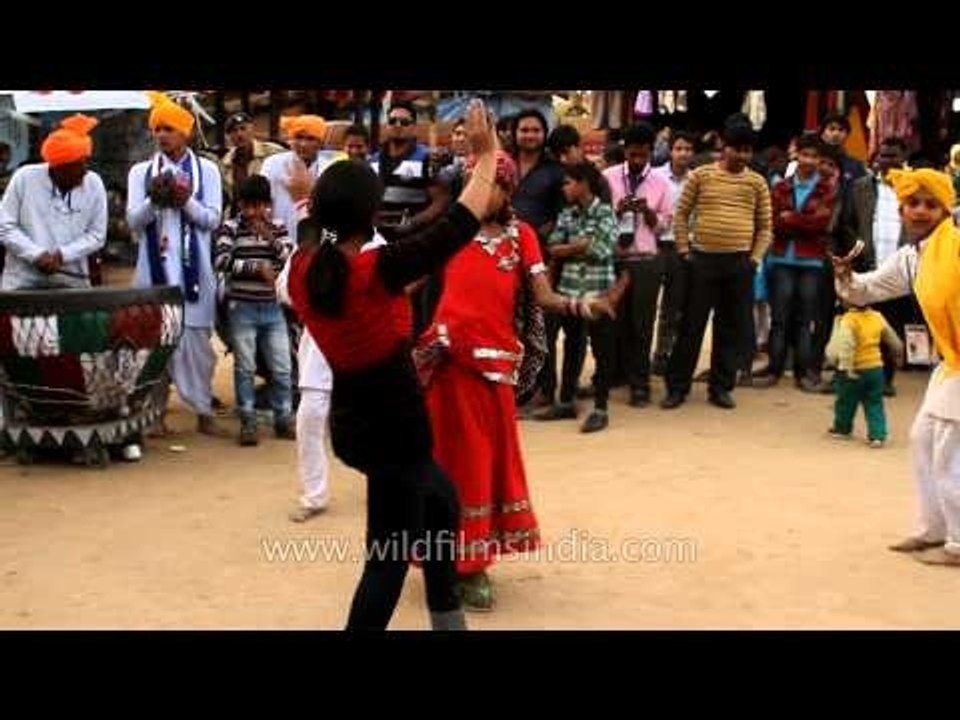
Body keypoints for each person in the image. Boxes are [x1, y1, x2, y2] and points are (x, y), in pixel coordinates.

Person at [286, 99, 497, 630]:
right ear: (370, 215)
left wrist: (310, 200)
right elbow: (460, 221)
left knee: (441, 505)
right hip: (394, 427)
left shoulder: (305, 270)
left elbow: (316, 229)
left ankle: (446, 614)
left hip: (358, 422)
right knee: (389, 558)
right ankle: (440, 615)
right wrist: (486, 154)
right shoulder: (373, 272)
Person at [417, 151, 616, 610]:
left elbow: (543, 296)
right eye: (476, 185)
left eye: (494, 186)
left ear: (509, 191)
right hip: (444, 366)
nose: (484, 195)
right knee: (445, 464)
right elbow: (405, 279)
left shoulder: (521, 235)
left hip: (493, 371)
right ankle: (443, 559)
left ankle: (474, 565)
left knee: (484, 464)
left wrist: (584, 306)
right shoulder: (449, 233)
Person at [831, 168, 960, 566]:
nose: (920, 211)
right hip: (953, 363)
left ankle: (958, 544)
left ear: (945, 209)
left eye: (930, 204)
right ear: (901, 208)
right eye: (912, 203)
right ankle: (932, 529)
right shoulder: (912, 257)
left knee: (949, 452)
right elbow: (866, 290)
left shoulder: (956, 245)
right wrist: (845, 275)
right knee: (922, 440)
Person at [129, 92, 227, 437]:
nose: (161, 135)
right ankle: (155, 414)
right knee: (153, 344)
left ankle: (202, 410)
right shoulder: (141, 172)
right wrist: (153, 201)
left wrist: (185, 200)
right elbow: (133, 222)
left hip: (195, 274)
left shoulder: (208, 171)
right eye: (157, 129)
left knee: (197, 344)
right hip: (152, 274)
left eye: (168, 128)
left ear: (185, 132)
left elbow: (212, 220)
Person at [214, 175, 295, 445]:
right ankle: (248, 421)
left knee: (282, 367)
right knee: (245, 367)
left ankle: (284, 418)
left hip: (273, 308)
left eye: (259, 206)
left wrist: (270, 238)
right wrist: (255, 269)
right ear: (240, 205)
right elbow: (222, 261)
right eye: (248, 207)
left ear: (267, 204)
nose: (253, 213)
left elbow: (288, 259)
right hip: (242, 307)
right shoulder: (230, 228)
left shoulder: (279, 227)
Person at [0, 115, 106, 290]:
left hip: (72, 286)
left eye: (85, 161)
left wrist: (62, 255)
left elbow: (97, 235)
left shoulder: (94, 183)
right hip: (21, 284)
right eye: (79, 164)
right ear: (59, 167)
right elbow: (4, 226)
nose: (85, 171)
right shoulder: (24, 178)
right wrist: (36, 255)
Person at [824, 300, 904, 447]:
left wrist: (844, 366)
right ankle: (878, 435)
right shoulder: (877, 316)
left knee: (845, 402)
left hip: (854, 369)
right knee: (874, 403)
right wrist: (898, 352)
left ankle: (842, 429)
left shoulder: (848, 320)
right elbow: (893, 340)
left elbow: (845, 345)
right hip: (875, 368)